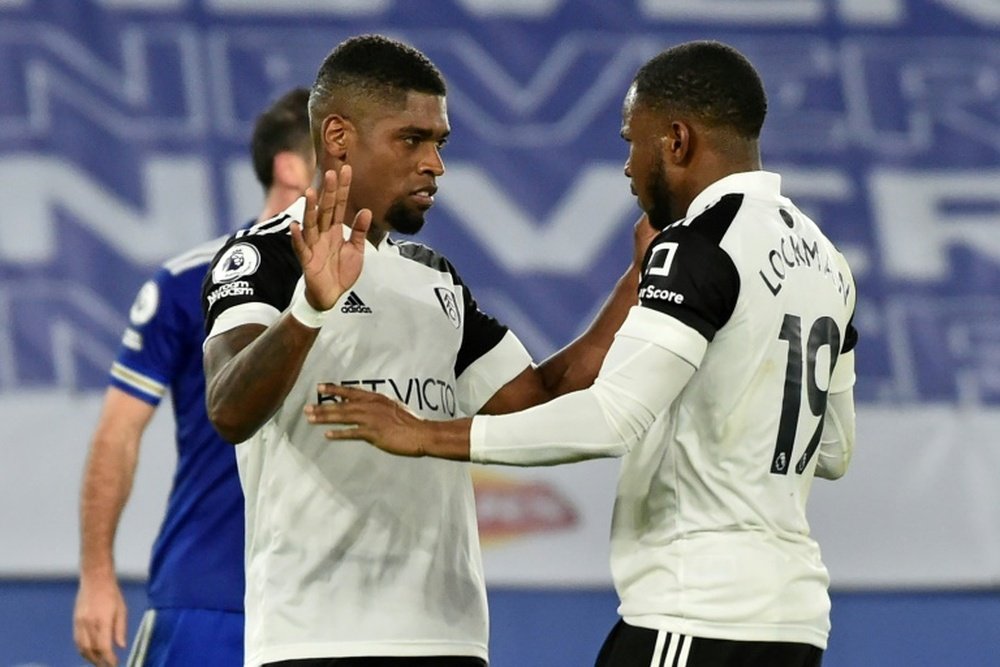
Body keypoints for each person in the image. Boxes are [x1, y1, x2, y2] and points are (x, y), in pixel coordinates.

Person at [314, 41, 859, 667]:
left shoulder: (698, 245)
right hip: (793, 624)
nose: (628, 166)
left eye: (634, 140)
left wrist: (424, 434)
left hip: (697, 612)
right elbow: (836, 449)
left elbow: (611, 418)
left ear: (676, 141)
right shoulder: (827, 261)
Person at [200, 34, 651, 667]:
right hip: (317, 639)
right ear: (337, 137)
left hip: (449, 635)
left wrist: (638, 281)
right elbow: (228, 409)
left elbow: (536, 401)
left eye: (439, 143)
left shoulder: (435, 277)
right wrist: (310, 308)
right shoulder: (265, 258)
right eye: (412, 140)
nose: (434, 164)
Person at [73, 87, 315, 667]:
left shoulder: (386, 287)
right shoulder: (187, 283)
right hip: (208, 599)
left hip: (327, 607)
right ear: (290, 167)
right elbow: (118, 433)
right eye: (336, 157)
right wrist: (97, 574)